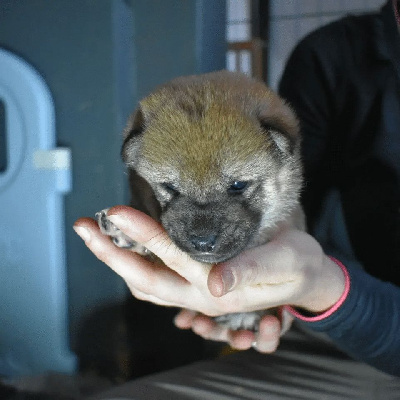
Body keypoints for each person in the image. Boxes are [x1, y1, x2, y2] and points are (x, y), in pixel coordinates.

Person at [74, 0, 400, 397]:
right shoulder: (332, 54)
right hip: (320, 330)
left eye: (236, 187)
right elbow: (294, 194)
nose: (202, 230)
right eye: (171, 190)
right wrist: (279, 287)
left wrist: (320, 285)